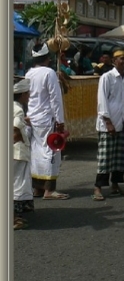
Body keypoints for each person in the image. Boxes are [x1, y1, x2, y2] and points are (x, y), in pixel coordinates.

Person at [25, 43, 69, 200]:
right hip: (46, 118)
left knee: (36, 152)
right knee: (51, 152)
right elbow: (55, 98)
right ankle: (49, 189)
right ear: (48, 59)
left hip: (32, 118)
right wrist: (60, 120)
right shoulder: (49, 73)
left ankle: (37, 187)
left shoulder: (29, 73)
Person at [93, 48, 124, 201]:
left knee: (120, 157)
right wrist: (108, 121)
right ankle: (98, 188)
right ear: (113, 61)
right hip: (108, 124)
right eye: (121, 58)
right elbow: (102, 100)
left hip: (123, 123)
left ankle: (116, 185)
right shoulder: (107, 77)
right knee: (105, 158)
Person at [13, 78, 34, 229]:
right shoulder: (18, 109)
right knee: (16, 185)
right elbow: (15, 130)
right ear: (22, 95)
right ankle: (13, 219)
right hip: (16, 152)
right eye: (27, 94)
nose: (29, 96)